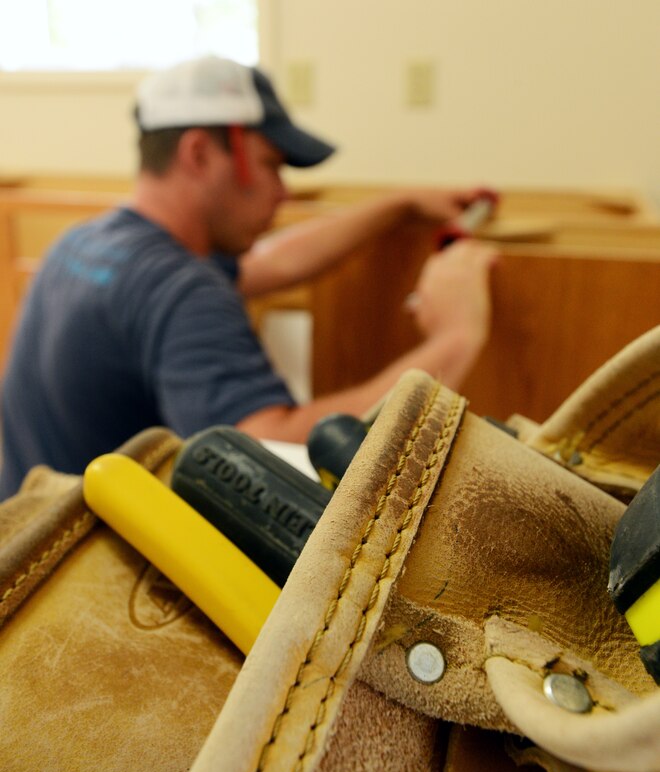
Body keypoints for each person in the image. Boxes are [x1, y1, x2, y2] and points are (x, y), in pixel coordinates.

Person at [0, 55, 498, 500]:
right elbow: (268, 452)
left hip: (24, 536)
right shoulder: (181, 290)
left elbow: (274, 263)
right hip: (74, 586)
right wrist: (457, 336)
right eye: (271, 165)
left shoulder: (91, 242)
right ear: (198, 154)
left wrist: (398, 205)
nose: (283, 192)